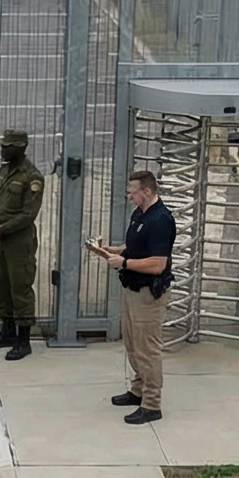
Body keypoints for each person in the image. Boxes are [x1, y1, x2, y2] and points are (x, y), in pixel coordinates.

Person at [88, 170, 176, 422]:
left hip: (149, 294)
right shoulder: (140, 213)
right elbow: (138, 246)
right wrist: (116, 250)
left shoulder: (161, 220)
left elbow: (158, 263)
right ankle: (138, 390)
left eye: (132, 191)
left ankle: (152, 404)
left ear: (146, 191)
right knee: (132, 344)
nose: (129, 195)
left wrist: (123, 262)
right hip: (131, 288)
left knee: (147, 348)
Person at [0, 128, 45, 360]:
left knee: (20, 287)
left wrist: (2, 229)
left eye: (6, 146)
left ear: (19, 148)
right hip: (0, 238)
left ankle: (23, 340)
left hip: (18, 241)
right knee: (2, 284)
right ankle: (7, 331)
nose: (2, 149)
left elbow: (28, 214)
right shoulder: (4, 171)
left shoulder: (32, 177)